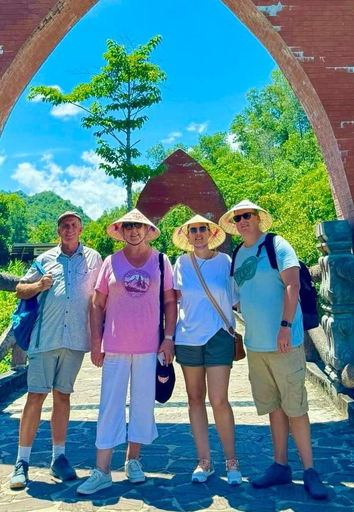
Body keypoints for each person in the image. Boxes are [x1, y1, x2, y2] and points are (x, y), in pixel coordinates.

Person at [219, 199, 328, 500]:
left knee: (296, 407)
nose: (242, 221)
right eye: (237, 218)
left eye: (246, 216)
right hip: (256, 345)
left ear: (257, 218)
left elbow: (292, 285)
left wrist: (284, 325)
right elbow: (237, 294)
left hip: (284, 342)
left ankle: (310, 470)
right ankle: (281, 465)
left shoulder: (277, 245)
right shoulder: (238, 254)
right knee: (274, 407)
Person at [77, 209, 177, 495]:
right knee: (110, 406)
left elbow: (170, 302)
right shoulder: (110, 262)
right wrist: (96, 342)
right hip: (116, 346)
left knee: (143, 405)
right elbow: (97, 304)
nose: (134, 231)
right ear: (120, 231)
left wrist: (168, 338)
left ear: (148, 230)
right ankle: (102, 470)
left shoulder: (161, 261)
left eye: (139, 226)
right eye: (129, 226)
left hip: (149, 347)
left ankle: (133, 460)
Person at [9, 211, 102, 490]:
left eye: (74, 225)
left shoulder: (94, 259)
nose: (69, 229)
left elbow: (103, 294)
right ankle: (21, 462)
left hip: (74, 340)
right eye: (64, 226)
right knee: (35, 397)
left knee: (63, 397)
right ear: (58, 230)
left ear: (81, 228)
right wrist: (39, 285)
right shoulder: (45, 259)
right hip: (45, 338)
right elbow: (19, 289)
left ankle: (58, 458)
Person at [171, 214, 242, 485]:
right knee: (194, 399)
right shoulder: (181, 264)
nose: (198, 234)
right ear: (187, 236)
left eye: (203, 229)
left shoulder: (225, 262)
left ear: (211, 234)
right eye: (193, 230)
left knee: (219, 399)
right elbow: (172, 300)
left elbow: (238, 299)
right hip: (188, 338)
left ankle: (231, 461)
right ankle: (204, 461)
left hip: (218, 336)